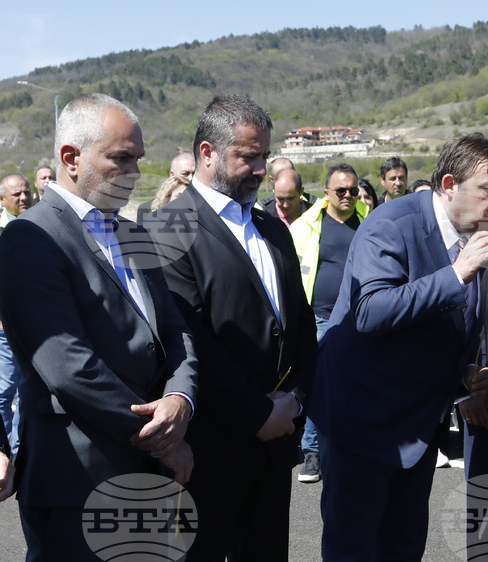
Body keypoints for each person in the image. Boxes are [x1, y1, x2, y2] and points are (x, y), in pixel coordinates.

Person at [0, 94, 197, 559]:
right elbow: (68, 365)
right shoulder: (31, 237)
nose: (135, 173)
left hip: (151, 468)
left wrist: (180, 398)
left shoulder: (132, 231)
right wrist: (159, 437)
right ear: (71, 158)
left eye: (139, 159)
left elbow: (174, 330)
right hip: (80, 476)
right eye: (121, 159)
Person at [310, 133, 488, 562]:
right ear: (449, 185)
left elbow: (448, 326)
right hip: (361, 423)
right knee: (355, 548)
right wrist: (457, 273)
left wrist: (463, 374)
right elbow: (370, 311)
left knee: (402, 548)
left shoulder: (472, 234)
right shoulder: (391, 223)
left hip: (418, 427)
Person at [147, 94, 316, 562]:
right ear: (207, 154)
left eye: (264, 155)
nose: (262, 168)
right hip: (210, 448)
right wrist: (257, 414)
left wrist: (296, 397)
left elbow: (300, 322)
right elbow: (190, 336)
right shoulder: (168, 228)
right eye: (248, 156)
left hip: (277, 439)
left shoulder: (271, 227)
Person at [289, 163, 368, 483]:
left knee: (358, 386)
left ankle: (353, 448)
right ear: (326, 193)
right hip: (319, 318)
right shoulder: (307, 225)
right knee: (318, 386)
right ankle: (312, 452)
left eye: (352, 190)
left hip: (360, 319)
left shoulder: (368, 223)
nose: (348, 195)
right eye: (341, 191)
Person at [0, 173, 32, 458]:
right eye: (16, 195)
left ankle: (19, 455)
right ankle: (3, 454)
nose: (23, 198)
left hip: (35, 326)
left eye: (26, 192)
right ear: (2, 200)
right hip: (4, 327)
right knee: (3, 393)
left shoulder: (40, 226)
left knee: (28, 394)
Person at [136, 150, 196, 224]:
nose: (191, 178)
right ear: (172, 175)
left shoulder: (203, 206)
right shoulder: (146, 209)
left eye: (194, 173)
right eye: (185, 174)